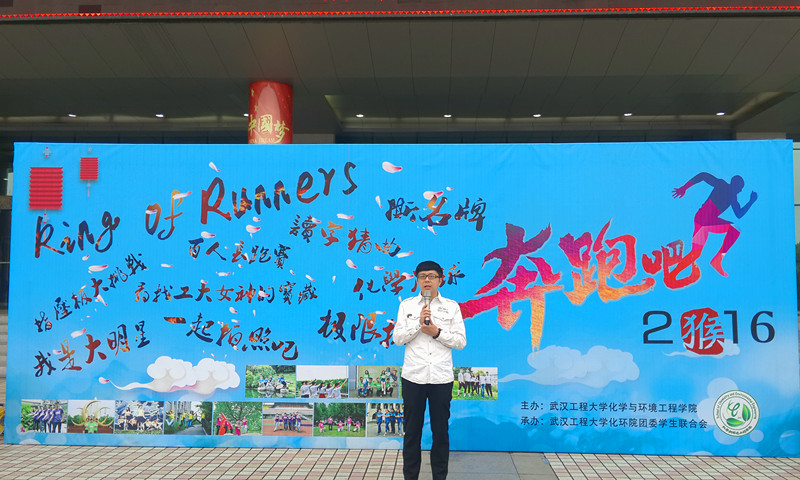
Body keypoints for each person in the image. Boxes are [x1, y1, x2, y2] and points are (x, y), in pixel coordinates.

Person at [395, 260, 467, 480]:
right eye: (423, 276)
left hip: (441, 379)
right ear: (417, 280)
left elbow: (461, 341)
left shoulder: (452, 307)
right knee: (411, 433)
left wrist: (437, 332)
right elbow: (398, 338)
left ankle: (439, 477)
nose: (427, 280)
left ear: (440, 280)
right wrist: (418, 324)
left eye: (432, 276)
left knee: (441, 433)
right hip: (413, 378)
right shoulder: (407, 305)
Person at [672, 173, 757, 277]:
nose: (741, 191)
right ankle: (717, 260)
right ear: (735, 185)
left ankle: (673, 274)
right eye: (740, 188)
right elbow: (703, 175)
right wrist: (751, 201)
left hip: (700, 220)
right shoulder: (723, 186)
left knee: (696, 253)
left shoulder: (731, 196)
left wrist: (684, 188)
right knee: (735, 229)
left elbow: (739, 214)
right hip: (705, 221)